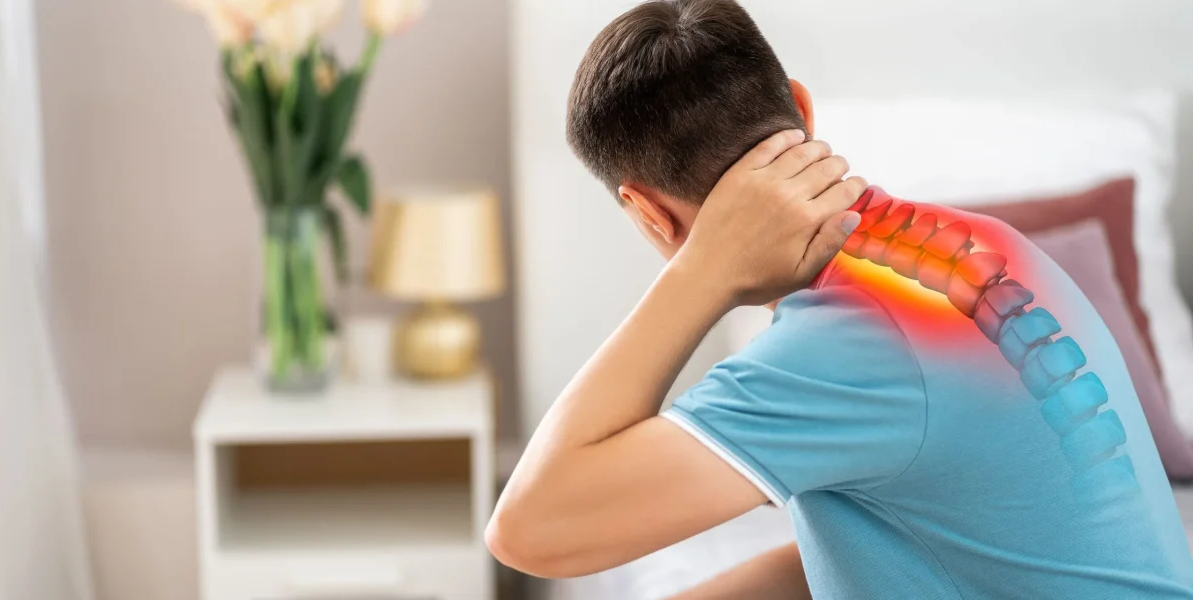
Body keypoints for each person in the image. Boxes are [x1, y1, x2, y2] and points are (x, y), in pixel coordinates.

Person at [485, 0, 1193, 598]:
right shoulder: (988, 248)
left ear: (647, 213)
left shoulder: (843, 344)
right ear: (800, 107)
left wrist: (698, 274)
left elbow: (527, 530)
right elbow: (913, 535)